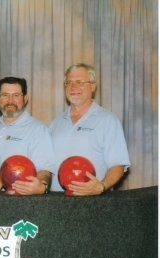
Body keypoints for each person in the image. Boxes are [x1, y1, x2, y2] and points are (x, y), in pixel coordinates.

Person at [49, 63, 131, 195]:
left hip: (93, 202)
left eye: (79, 82)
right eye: (68, 82)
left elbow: (118, 165)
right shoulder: (55, 123)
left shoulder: (108, 120)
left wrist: (102, 186)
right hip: (55, 201)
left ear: (93, 86)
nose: (73, 87)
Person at [0, 77, 56, 195]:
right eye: (5, 95)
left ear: (25, 98)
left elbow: (45, 170)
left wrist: (42, 186)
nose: (10, 100)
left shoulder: (38, 129)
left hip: (21, 200)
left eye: (16, 95)